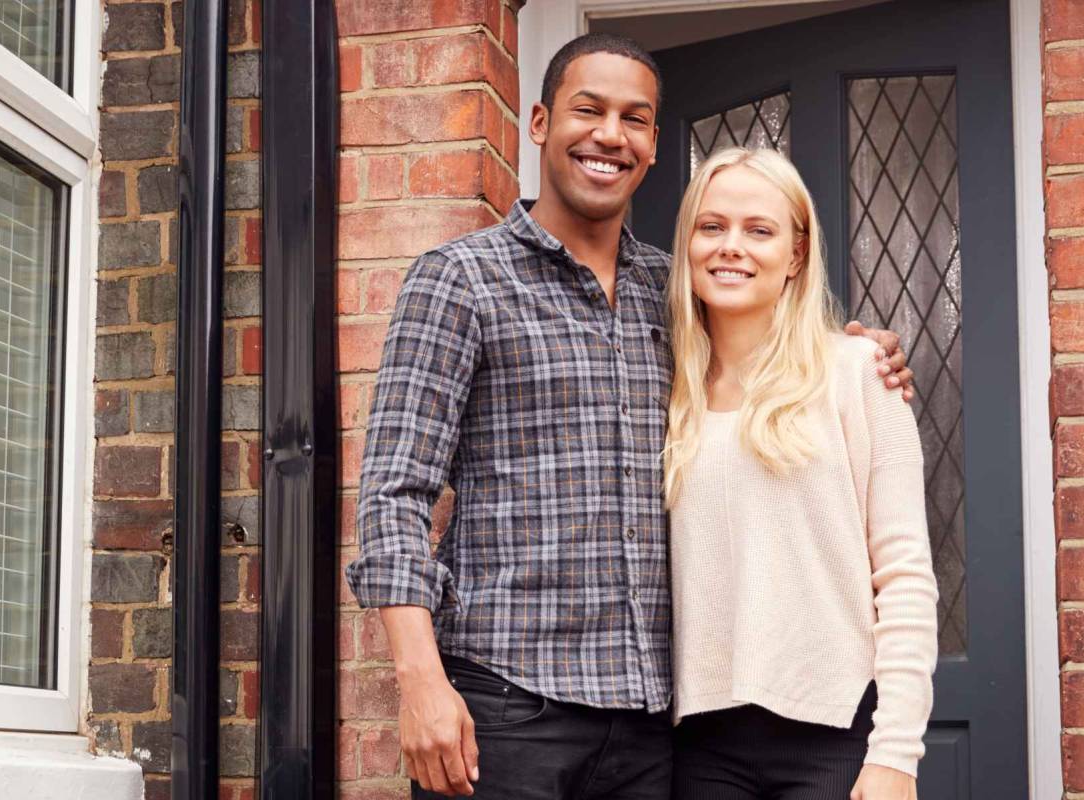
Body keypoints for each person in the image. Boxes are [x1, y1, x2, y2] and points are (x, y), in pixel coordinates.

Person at [343, 34, 915, 800]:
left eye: (635, 119)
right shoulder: (460, 282)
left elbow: (768, 359)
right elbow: (394, 496)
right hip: (506, 711)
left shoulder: (676, 295)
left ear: (650, 147)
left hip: (650, 732)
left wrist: (857, 357)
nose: (610, 135)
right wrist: (420, 682)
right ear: (540, 122)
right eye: (589, 110)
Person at [664, 147, 937, 800]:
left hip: (834, 736)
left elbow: (904, 574)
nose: (731, 246)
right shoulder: (666, 389)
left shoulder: (858, 372)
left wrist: (897, 751)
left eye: (759, 230)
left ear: (795, 255)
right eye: (711, 226)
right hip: (700, 746)